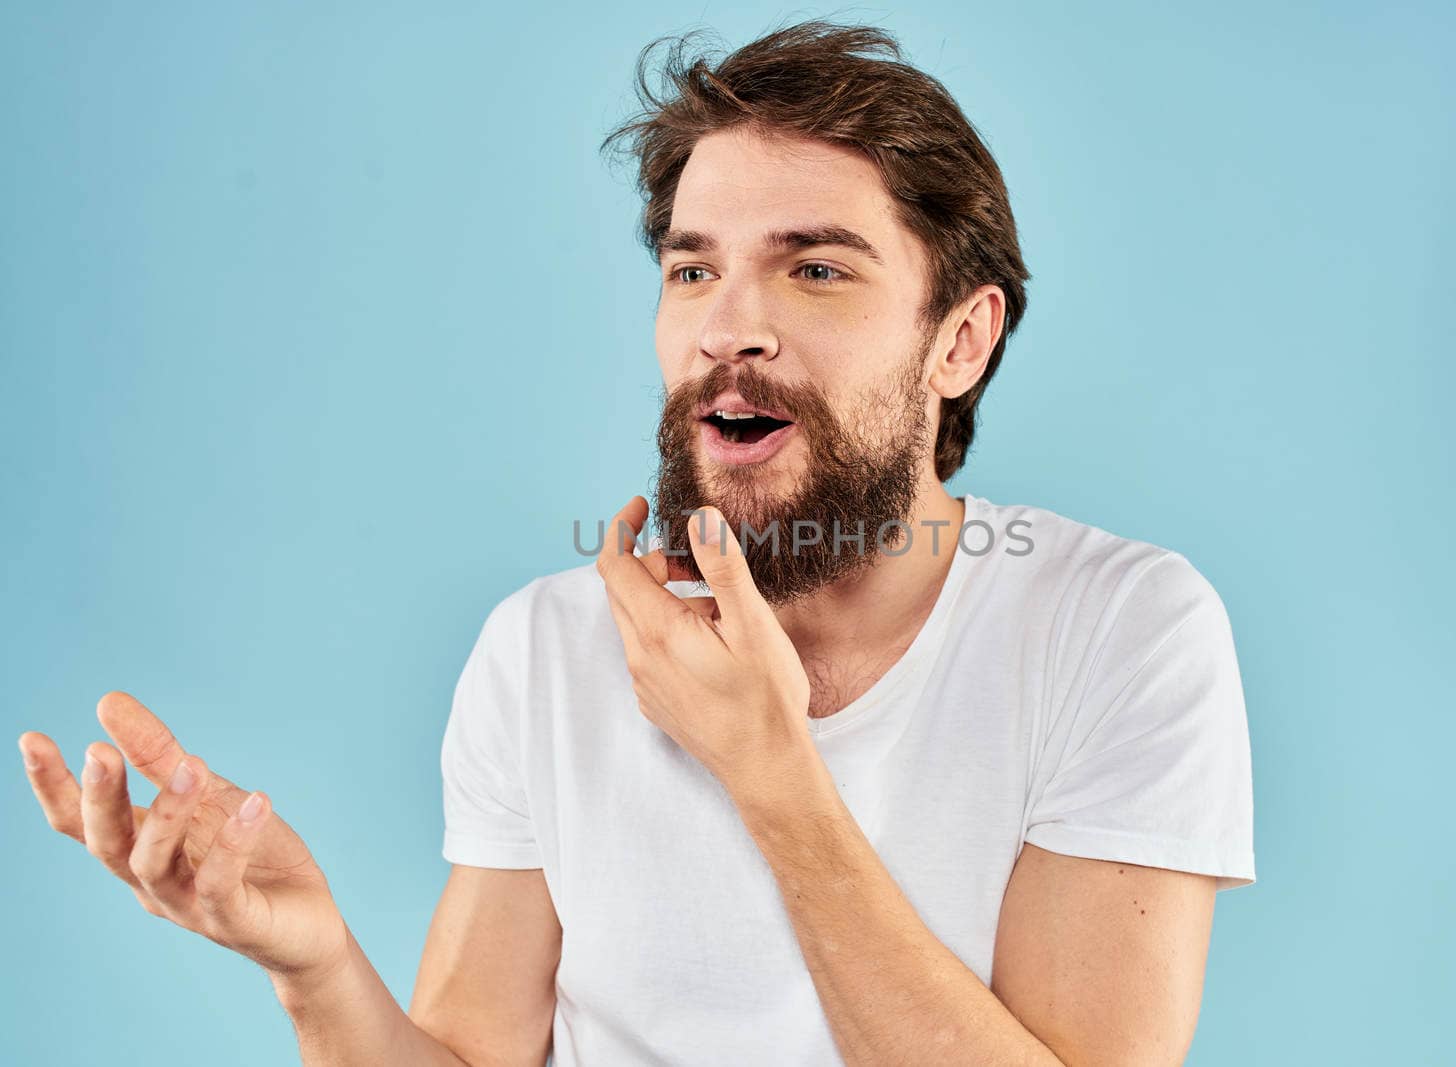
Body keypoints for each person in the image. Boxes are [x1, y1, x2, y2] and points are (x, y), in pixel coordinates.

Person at [18, 20, 1254, 1066]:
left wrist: (771, 772)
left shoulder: (1116, 626)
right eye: (691, 269)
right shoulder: (546, 649)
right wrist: (316, 966)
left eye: (816, 269)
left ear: (960, 340)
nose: (732, 326)